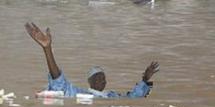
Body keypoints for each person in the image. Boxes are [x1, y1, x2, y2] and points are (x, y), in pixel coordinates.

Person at [25, 22, 159, 98]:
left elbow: (132, 98)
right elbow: (60, 85)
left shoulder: (112, 96)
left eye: (103, 78)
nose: (102, 80)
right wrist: (47, 49)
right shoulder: (83, 94)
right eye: (98, 77)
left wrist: (145, 79)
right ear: (89, 81)